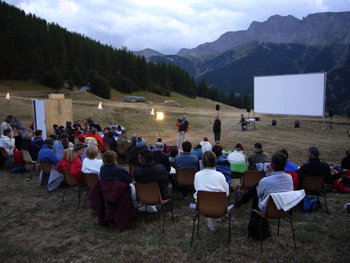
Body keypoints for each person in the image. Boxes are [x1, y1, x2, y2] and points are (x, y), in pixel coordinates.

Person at [193, 151, 229, 233]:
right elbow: (226, 193)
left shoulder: (198, 175)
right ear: (215, 161)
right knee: (214, 199)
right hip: (218, 206)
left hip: (202, 206)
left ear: (202, 162)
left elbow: (197, 188)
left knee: (210, 199)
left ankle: (212, 227)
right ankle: (217, 221)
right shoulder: (220, 175)